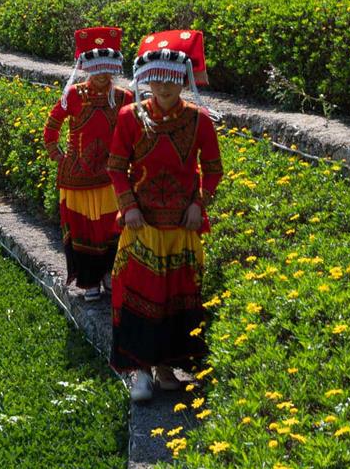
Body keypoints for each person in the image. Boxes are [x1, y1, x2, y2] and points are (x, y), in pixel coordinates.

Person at [104, 29, 221, 403]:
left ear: (184, 80)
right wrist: (130, 206)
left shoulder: (200, 120)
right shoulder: (129, 117)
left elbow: (214, 168)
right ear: (146, 79)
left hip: (182, 227)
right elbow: (116, 167)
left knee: (177, 296)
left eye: (172, 81)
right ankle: (140, 370)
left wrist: (197, 204)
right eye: (157, 80)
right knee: (140, 294)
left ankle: (167, 367)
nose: (165, 89)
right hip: (142, 226)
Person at [41, 26, 131, 300]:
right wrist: (56, 153)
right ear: (87, 68)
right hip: (76, 177)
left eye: (107, 69)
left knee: (111, 228)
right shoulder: (74, 95)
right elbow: (52, 125)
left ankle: (108, 274)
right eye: (96, 68)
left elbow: (135, 132)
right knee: (83, 229)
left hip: (110, 177)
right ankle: (89, 280)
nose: (102, 75)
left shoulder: (124, 98)